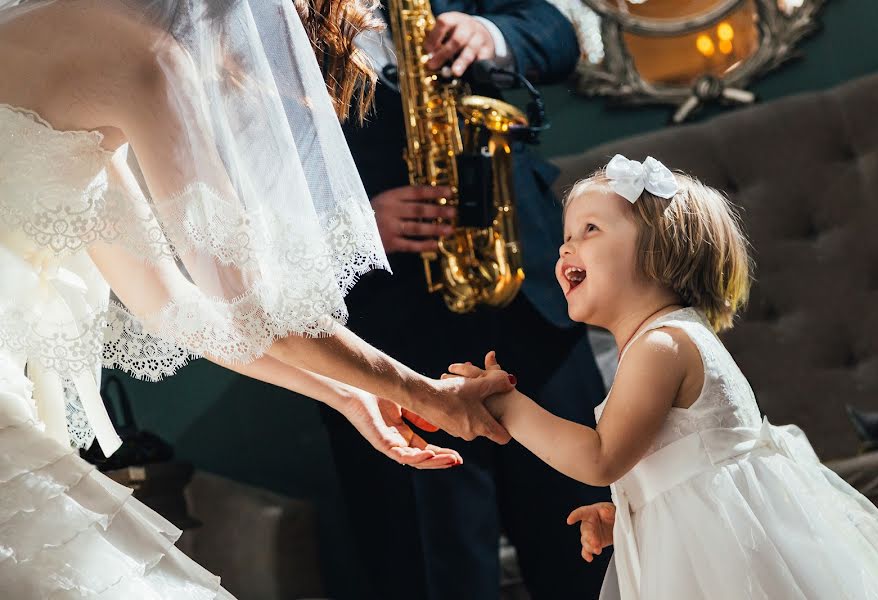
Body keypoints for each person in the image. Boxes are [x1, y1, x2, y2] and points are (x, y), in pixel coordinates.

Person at [0, 0, 514, 596]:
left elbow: (170, 305)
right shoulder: (149, 60)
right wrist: (424, 392)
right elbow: (257, 311)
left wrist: (350, 394)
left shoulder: (52, 21)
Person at [449, 154, 878, 598]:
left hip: (727, 561)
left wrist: (507, 405)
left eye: (590, 229)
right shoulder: (669, 338)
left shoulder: (661, 346)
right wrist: (632, 515)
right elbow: (683, 471)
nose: (566, 247)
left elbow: (600, 457)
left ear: (657, 251)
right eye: (566, 235)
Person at [319, 2, 611, 598]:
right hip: (388, 334)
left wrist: (491, 34)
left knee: (594, 550)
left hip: (529, 301)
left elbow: (560, 29)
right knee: (435, 571)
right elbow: (227, 175)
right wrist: (349, 225)